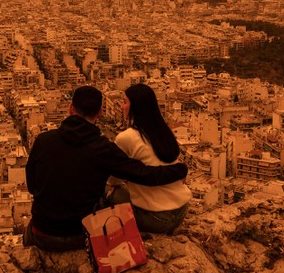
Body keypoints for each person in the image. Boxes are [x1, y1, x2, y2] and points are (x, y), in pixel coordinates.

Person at [25, 85, 189, 251]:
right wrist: (179, 170)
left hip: (42, 234)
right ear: (100, 113)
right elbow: (145, 174)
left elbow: (32, 187)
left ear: (70, 108)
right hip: (82, 235)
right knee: (106, 193)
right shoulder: (103, 149)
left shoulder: (43, 140)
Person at [108, 83, 191, 234]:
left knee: (109, 190)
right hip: (181, 212)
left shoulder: (126, 137)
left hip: (156, 220)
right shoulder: (164, 132)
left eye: (125, 102)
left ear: (135, 107)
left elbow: (114, 180)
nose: (122, 106)